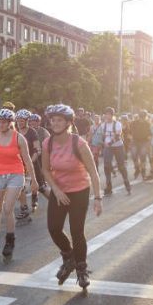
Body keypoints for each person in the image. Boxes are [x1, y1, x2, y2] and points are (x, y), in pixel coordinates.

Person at [42, 104, 102, 291]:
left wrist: (98, 198)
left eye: (60, 120)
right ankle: (69, 257)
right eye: (53, 120)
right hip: (59, 191)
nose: (55, 123)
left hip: (79, 191)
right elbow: (45, 169)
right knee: (54, 228)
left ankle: (81, 269)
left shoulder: (79, 143)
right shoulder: (48, 143)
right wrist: (57, 191)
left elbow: (93, 171)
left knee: (77, 231)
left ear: (68, 123)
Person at [0, 108, 37, 263]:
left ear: (10, 123)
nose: (1, 124)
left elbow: (27, 160)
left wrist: (33, 180)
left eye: (4, 121)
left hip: (16, 175)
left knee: (8, 208)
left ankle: (10, 242)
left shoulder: (19, 138)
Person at [14, 109, 40, 222]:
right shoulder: (14, 131)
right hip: (17, 163)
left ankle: (34, 196)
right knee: (20, 186)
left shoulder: (32, 132)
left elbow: (37, 150)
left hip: (31, 161)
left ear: (27, 121)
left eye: (22, 121)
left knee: (39, 185)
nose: (20, 123)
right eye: (18, 121)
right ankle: (24, 209)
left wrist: (30, 162)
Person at [100, 107, 131, 195]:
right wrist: (101, 143)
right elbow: (101, 136)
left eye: (109, 114)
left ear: (112, 115)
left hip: (118, 146)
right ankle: (108, 186)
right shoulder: (103, 125)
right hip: (108, 147)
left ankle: (126, 182)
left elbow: (117, 137)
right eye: (106, 114)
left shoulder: (117, 124)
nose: (107, 116)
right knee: (106, 165)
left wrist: (108, 143)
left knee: (121, 166)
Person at [29, 113, 50, 211]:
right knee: (33, 181)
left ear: (38, 122)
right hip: (29, 157)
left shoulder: (44, 132)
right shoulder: (28, 131)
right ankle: (34, 198)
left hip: (40, 158)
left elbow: (49, 146)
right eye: (31, 121)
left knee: (37, 181)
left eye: (35, 121)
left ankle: (35, 199)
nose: (32, 123)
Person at [129, 110, 151, 180]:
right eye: (141, 117)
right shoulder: (133, 123)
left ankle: (143, 171)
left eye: (143, 117)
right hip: (135, 141)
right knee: (134, 156)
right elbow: (130, 131)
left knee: (143, 157)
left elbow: (150, 133)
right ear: (139, 117)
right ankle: (137, 168)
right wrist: (131, 138)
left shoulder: (148, 124)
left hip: (144, 142)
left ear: (145, 117)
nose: (142, 118)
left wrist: (149, 140)